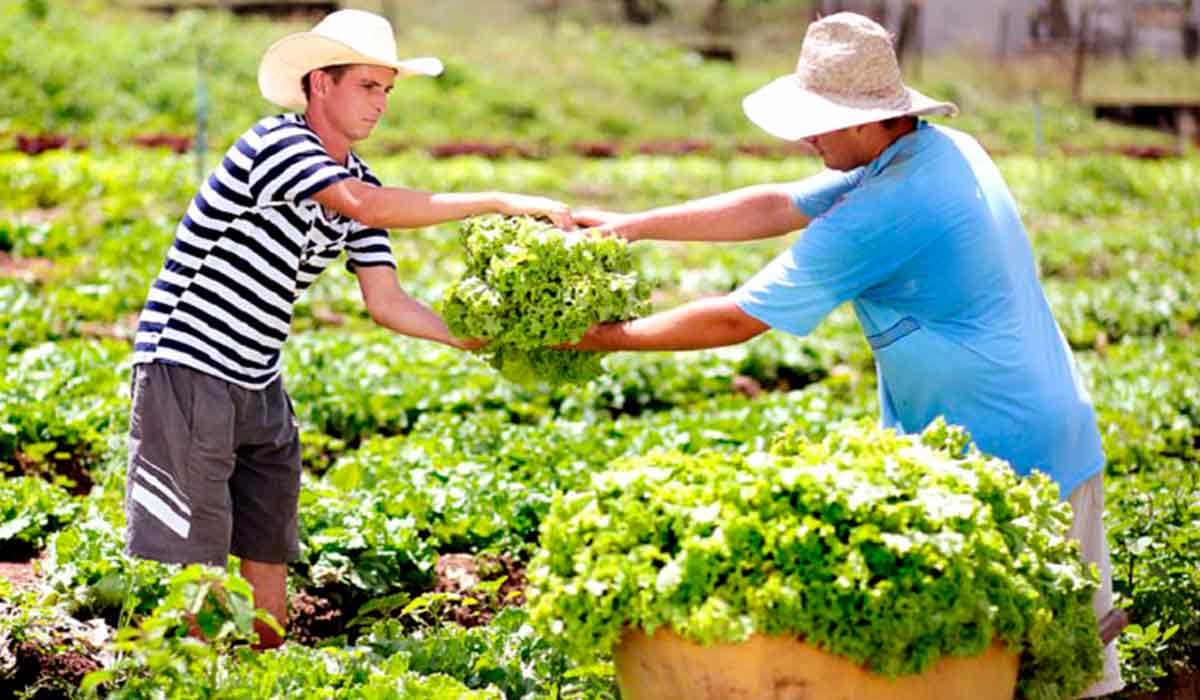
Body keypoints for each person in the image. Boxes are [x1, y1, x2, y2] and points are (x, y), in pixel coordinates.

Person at [571, 12, 1122, 697]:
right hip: (1032, 423)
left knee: (1039, 676)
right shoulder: (938, 149)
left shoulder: (888, 206)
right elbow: (774, 205)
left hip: (1012, 450)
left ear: (866, 121)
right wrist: (632, 227)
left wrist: (602, 337)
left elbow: (738, 319)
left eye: (817, 121)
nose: (804, 137)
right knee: (1020, 670)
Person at [124, 9, 571, 648]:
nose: (381, 103)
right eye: (367, 85)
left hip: (258, 377)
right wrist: (498, 199)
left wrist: (484, 339)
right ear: (319, 84)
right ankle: (199, 677)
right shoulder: (276, 144)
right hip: (187, 365)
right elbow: (361, 208)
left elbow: (386, 301)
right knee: (195, 558)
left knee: (267, 540)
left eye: (387, 89)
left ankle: (265, 677)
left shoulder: (362, 179)